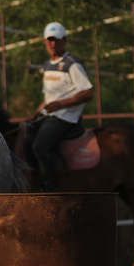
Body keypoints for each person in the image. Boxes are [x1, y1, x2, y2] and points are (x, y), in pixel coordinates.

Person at [30, 22, 94, 190]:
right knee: (26, 134)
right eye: (49, 40)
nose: (52, 44)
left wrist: (60, 104)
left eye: (56, 40)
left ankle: (52, 187)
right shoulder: (46, 66)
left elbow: (88, 92)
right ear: (44, 42)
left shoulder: (72, 64)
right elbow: (49, 97)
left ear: (64, 41)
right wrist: (35, 114)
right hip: (51, 114)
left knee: (40, 146)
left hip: (66, 117)